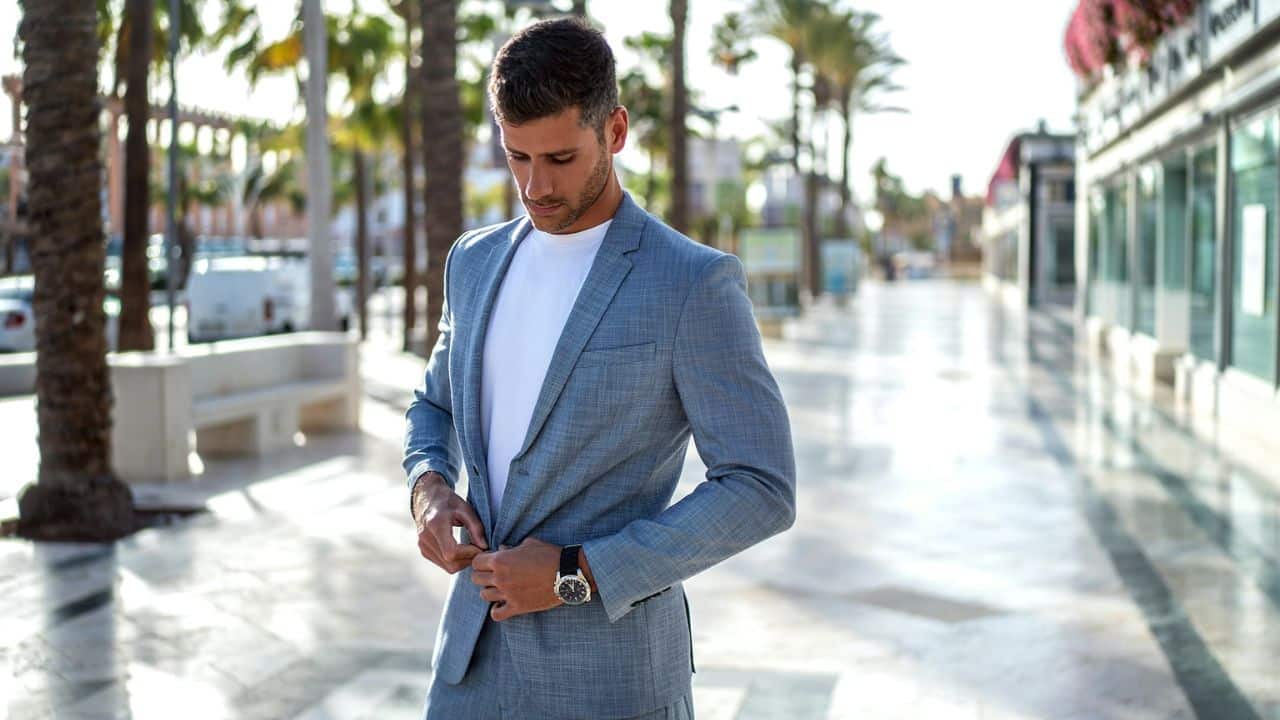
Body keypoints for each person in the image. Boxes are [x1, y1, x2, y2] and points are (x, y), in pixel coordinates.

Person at [403, 16, 796, 720]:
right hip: (467, 675)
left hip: (614, 685)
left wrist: (570, 576)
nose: (535, 185)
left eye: (559, 157)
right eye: (516, 156)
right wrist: (429, 490)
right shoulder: (474, 261)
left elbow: (761, 487)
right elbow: (433, 407)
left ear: (614, 131)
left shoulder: (692, 283)